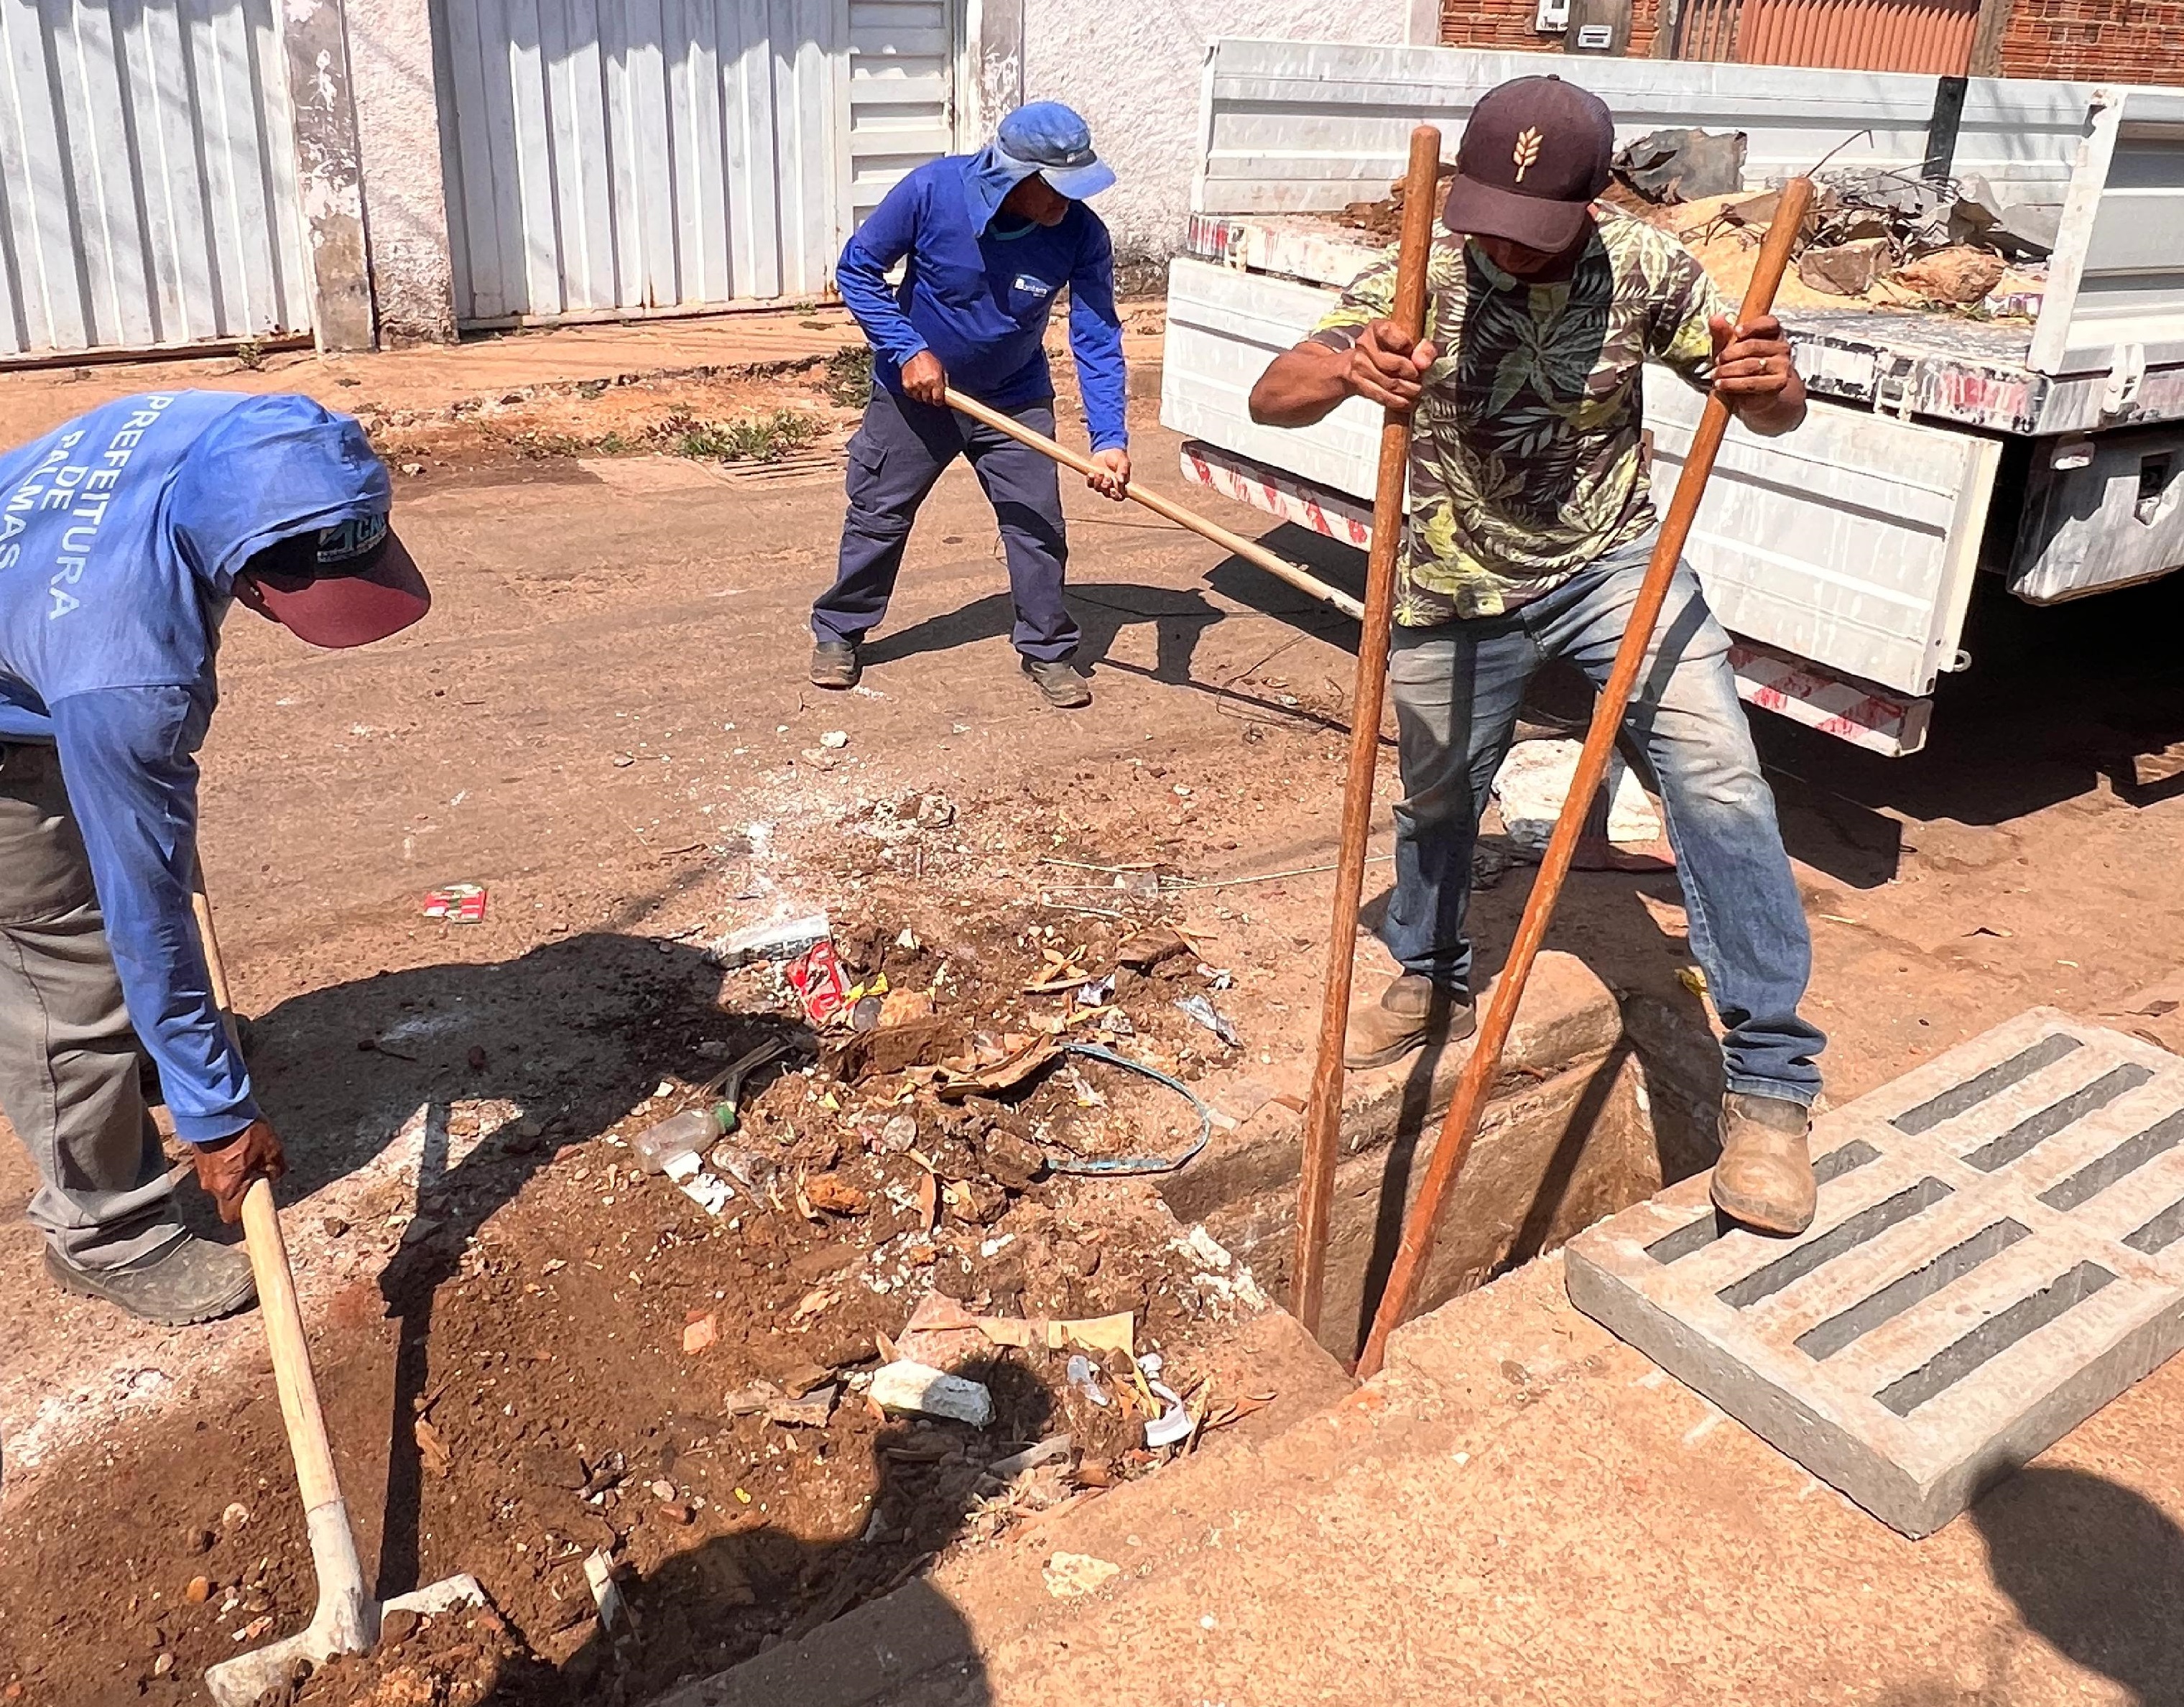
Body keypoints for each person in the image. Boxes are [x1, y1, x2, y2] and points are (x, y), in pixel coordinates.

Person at [1248, 75, 1827, 1235]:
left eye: (1535, 230)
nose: (1505, 249)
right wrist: (1351, 370)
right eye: (1491, 222)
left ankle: (1771, 1085)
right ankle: (1431, 979)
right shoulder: (1422, 271)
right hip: (1451, 577)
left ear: (1591, 202)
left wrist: (1773, 388)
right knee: (1436, 797)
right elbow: (1275, 396)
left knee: (1720, 776)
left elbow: (1770, 406)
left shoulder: (1646, 270)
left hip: (1613, 567)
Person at [0, 390, 430, 1323]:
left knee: (120, 849)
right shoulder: (128, 667)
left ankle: (154, 1051)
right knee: (60, 971)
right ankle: (103, 1231)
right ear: (248, 581)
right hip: (44, 686)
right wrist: (217, 1114)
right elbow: (146, 910)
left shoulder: (250, 433)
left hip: (42, 628)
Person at [810, 101, 1128, 710]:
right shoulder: (932, 192)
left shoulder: (1082, 234)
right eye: (1057, 188)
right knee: (878, 516)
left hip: (1015, 398)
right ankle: (839, 630)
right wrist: (907, 349)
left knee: (1037, 525)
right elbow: (858, 270)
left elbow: (1096, 336)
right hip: (914, 396)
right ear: (1015, 176)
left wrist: (1109, 438)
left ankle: (1048, 649)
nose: (1069, 203)